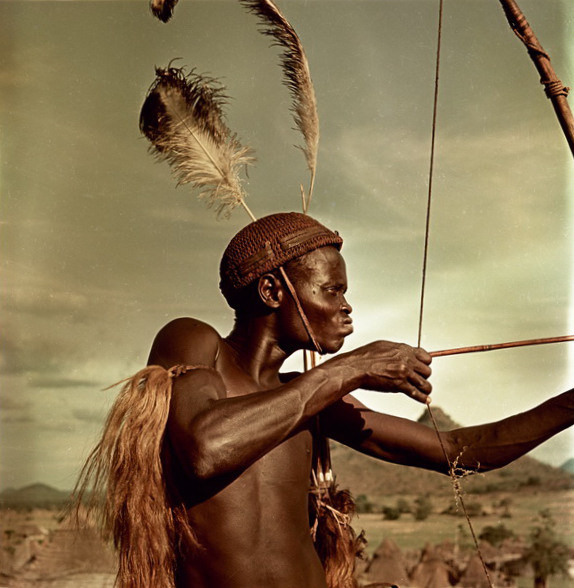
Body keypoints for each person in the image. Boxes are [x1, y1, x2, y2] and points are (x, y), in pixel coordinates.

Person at [76, 212, 574, 588]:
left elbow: (463, 452)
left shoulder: (308, 399)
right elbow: (206, 448)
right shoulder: (194, 342)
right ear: (272, 290)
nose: (346, 306)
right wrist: (352, 367)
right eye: (332, 290)